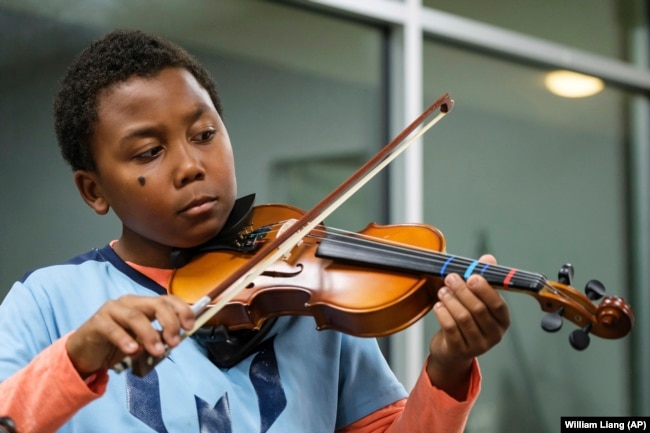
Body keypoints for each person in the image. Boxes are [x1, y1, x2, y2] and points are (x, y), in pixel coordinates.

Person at [0, 30, 510, 432]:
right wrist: (75, 357)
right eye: (149, 152)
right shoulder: (49, 302)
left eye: (204, 135)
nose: (190, 166)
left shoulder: (312, 297)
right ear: (94, 190)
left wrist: (448, 366)